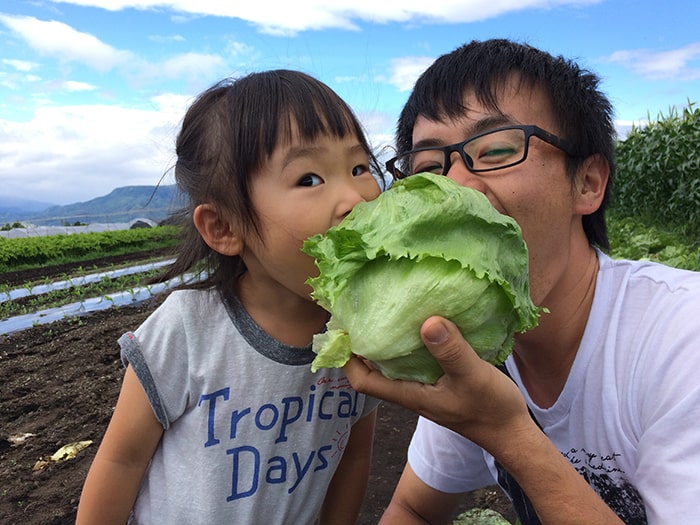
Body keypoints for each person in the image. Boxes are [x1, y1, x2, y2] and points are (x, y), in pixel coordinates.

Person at [343, 39, 700, 524]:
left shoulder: (683, 337)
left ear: (588, 183)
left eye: (495, 150)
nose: (454, 189)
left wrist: (507, 433)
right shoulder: (475, 349)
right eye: (427, 168)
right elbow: (413, 509)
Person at [76, 69, 383, 525]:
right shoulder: (187, 329)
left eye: (359, 168)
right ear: (224, 228)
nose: (355, 198)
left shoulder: (364, 333)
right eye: (310, 179)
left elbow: (354, 458)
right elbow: (121, 461)